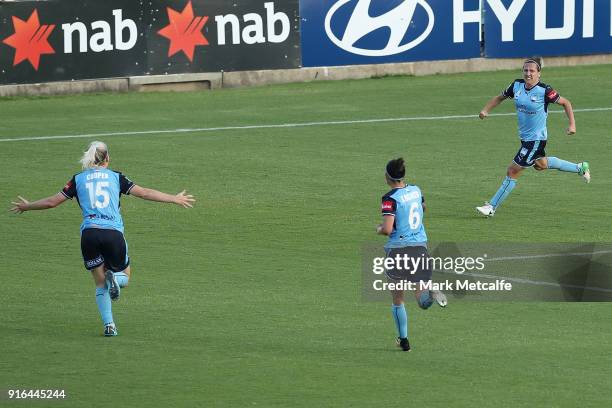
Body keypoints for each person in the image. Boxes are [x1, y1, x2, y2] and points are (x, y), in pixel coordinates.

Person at [10, 141, 195, 337]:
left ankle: (109, 326)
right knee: (124, 275)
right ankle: (115, 278)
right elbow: (145, 193)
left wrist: (27, 206)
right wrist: (174, 198)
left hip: (89, 235)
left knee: (100, 284)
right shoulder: (116, 177)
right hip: (113, 233)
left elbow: (51, 202)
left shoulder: (78, 179)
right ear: (107, 158)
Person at [476, 58, 590, 217]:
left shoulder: (545, 91)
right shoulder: (516, 86)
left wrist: (572, 125)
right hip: (525, 138)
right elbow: (499, 97)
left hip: (536, 140)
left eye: (532, 71)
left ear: (539, 74)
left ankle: (491, 207)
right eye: (525, 70)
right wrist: (485, 110)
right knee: (540, 164)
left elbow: (566, 103)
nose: (528, 73)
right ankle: (580, 168)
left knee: (512, 171)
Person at [376, 158, 446, 352]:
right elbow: (423, 208)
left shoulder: (389, 199)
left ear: (387, 177)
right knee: (422, 300)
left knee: (398, 299)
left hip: (398, 250)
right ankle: (431, 293)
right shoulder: (416, 190)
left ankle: (404, 340)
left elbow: (388, 229)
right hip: (419, 248)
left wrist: (379, 228)